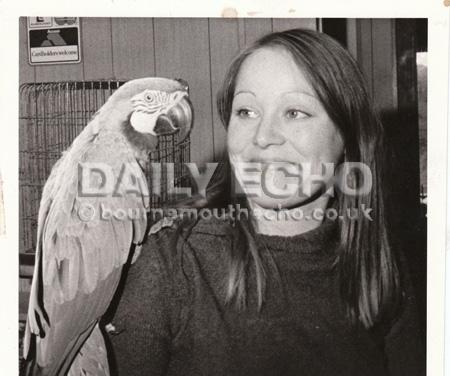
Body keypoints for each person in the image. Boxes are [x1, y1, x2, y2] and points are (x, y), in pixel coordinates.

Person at [106, 28, 425, 375]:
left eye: (295, 112)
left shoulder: (381, 270)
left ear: (347, 136)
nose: (263, 137)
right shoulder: (171, 264)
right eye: (246, 112)